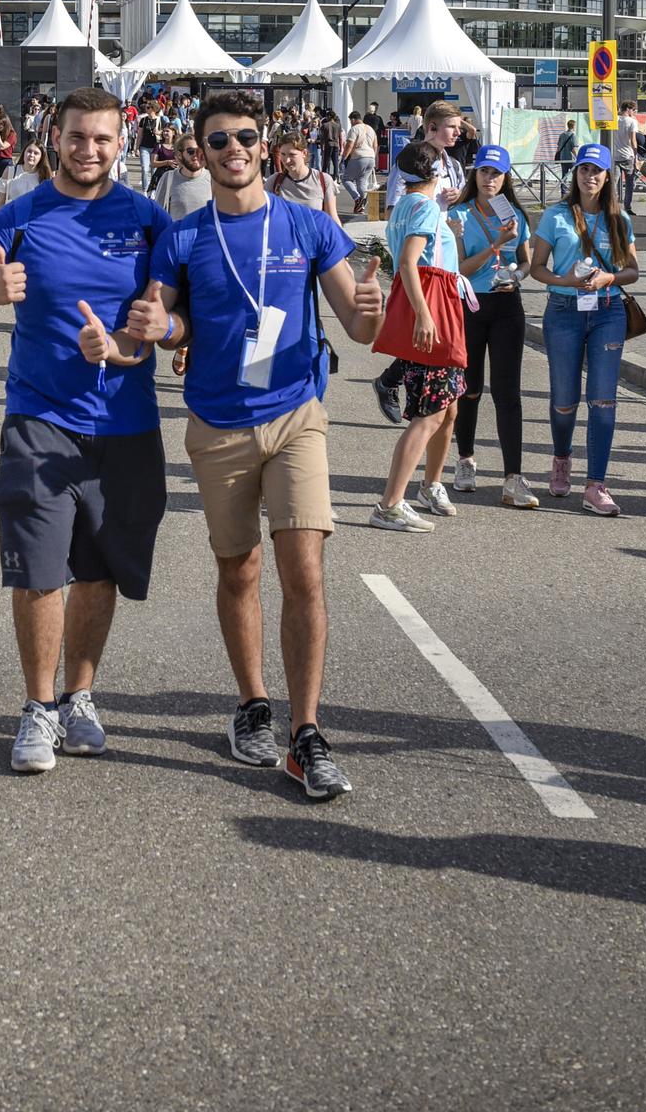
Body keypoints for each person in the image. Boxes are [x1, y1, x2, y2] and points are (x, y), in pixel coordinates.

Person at [141, 91, 382, 797]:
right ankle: (252, 703)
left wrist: (372, 309)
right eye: (219, 141)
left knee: (303, 568)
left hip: (295, 416)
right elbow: (167, 322)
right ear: (201, 151)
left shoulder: (308, 226)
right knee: (239, 570)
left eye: (245, 136)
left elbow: (358, 329)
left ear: (266, 142)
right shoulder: (184, 237)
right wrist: (165, 330)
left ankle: (306, 732)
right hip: (218, 424)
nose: (234, 149)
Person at [0, 88, 170, 775]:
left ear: (120, 143)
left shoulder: (150, 222)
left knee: (99, 573)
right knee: (41, 573)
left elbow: (160, 328)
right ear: (55, 135)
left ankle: (80, 697)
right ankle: (38, 709)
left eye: (103, 139)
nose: (90, 150)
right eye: (78, 137)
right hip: (38, 420)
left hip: (126, 425)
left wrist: (125, 349)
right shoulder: (13, 220)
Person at [529, 145, 639, 515]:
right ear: (574, 174)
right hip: (563, 310)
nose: (589, 176)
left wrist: (610, 276)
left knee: (603, 400)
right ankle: (561, 458)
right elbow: (537, 268)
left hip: (608, 312)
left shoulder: (619, 218)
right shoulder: (556, 216)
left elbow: (633, 271)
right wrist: (566, 281)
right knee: (564, 399)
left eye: (597, 170)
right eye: (583, 169)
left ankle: (596, 484)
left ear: (608, 177)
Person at [369, 140, 469, 530]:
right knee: (431, 413)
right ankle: (390, 503)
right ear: (436, 171)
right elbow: (412, 263)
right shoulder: (426, 207)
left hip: (429, 300)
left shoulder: (407, 205)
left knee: (448, 407)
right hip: (434, 303)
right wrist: (426, 317)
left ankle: (429, 485)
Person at [447, 146, 538, 507]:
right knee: (469, 388)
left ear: (506, 178)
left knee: (507, 392)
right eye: (484, 172)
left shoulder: (515, 214)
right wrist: (496, 245)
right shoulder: (459, 215)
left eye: (496, 174)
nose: (489, 179)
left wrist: (517, 275)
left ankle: (513, 477)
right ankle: (465, 460)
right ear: (475, 175)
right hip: (470, 305)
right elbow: (460, 269)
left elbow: (527, 262)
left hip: (507, 307)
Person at [374, 100, 464, 423]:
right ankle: (398, 390)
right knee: (428, 344)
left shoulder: (451, 165)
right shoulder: (411, 161)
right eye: (452, 127)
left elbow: (450, 209)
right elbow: (395, 208)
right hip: (422, 261)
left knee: (433, 350)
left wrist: (456, 201)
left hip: (442, 257)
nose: (458, 133)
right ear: (431, 128)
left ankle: (397, 387)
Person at [269, 132, 342, 223]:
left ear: (304, 153)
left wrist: (342, 237)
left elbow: (332, 219)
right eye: (283, 154)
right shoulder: (274, 181)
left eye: (292, 155)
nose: (286, 160)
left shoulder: (323, 180)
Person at [154, 135, 212, 220]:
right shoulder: (169, 178)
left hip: (205, 232)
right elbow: (157, 214)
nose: (196, 156)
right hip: (177, 232)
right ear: (179, 155)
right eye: (191, 151)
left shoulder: (213, 178)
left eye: (200, 151)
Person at [0, 139, 51, 208]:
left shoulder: (44, 176)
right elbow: (0, 202)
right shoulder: (10, 171)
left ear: (41, 157)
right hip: (12, 217)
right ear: (24, 152)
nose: (31, 155)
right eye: (29, 151)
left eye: (36, 153)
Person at [340, 111, 378, 211]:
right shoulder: (371, 129)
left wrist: (343, 158)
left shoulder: (354, 129)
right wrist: (372, 156)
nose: (350, 122)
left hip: (359, 157)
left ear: (353, 119)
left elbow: (349, 145)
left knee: (346, 179)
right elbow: (375, 145)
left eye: (350, 120)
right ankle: (362, 204)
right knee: (362, 181)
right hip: (371, 158)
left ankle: (357, 199)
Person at [611, 100, 640, 213]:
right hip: (628, 155)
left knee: (613, 183)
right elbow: (633, 140)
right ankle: (627, 207)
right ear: (628, 109)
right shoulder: (632, 122)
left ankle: (613, 205)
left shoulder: (614, 120)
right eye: (634, 110)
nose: (634, 113)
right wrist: (636, 155)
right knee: (629, 184)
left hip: (615, 155)